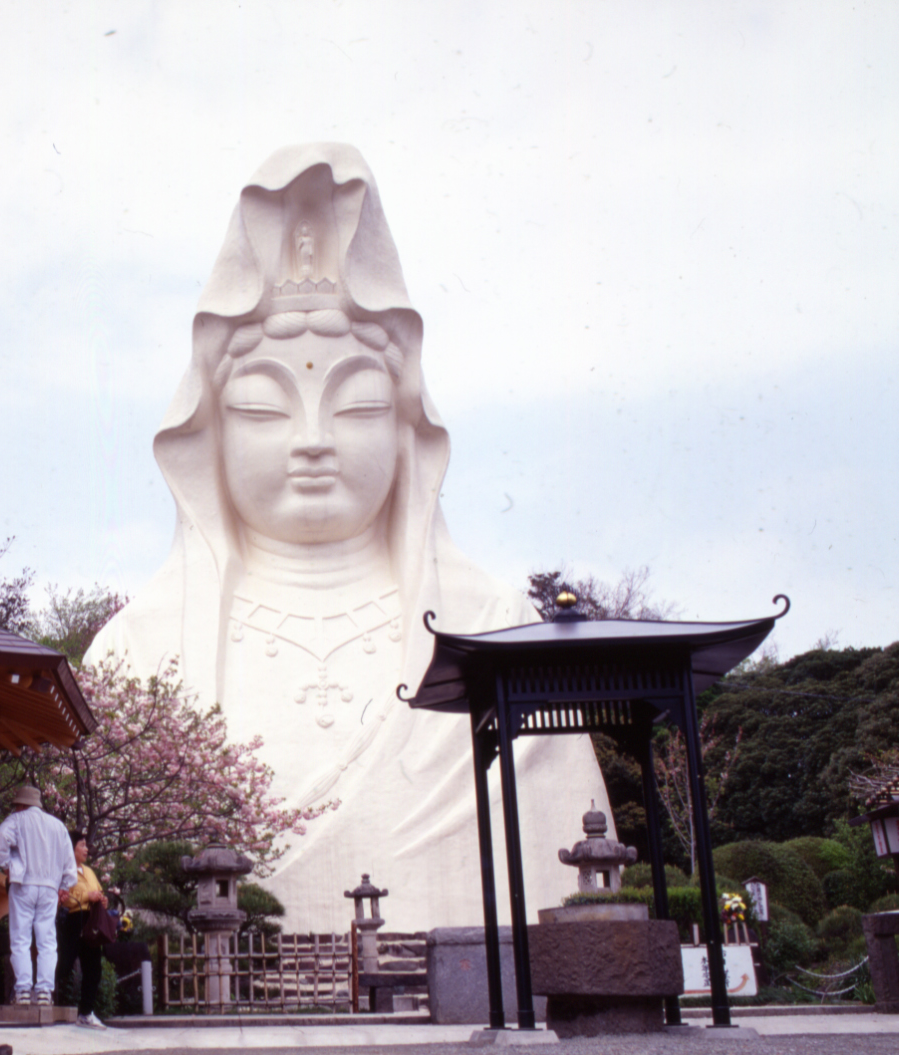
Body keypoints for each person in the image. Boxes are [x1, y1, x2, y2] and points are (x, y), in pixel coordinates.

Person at [87, 144, 612, 932]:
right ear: (211, 434)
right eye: (264, 409)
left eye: (357, 404)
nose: (311, 440)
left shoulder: (494, 628)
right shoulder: (136, 651)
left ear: (405, 428)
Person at [0, 784, 77, 1005]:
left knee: (21, 937)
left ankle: (22, 990)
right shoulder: (57, 826)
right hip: (50, 887)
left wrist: (7, 865)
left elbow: (0, 840)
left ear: (21, 804)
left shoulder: (16, 820)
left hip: (23, 883)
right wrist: (64, 885)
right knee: (47, 940)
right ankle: (44, 991)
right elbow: (69, 863)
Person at [56, 831, 112, 1029]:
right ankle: (42, 996)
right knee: (65, 963)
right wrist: (89, 896)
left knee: (93, 968)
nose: (86, 849)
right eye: (82, 845)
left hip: (90, 921)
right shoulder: (64, 870)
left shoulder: (88, 871)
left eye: (85, 845)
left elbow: (99, 890)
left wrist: (102, 899)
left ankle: (86, 1013)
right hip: (73, 920)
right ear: (71, 849)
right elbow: (65, 897)